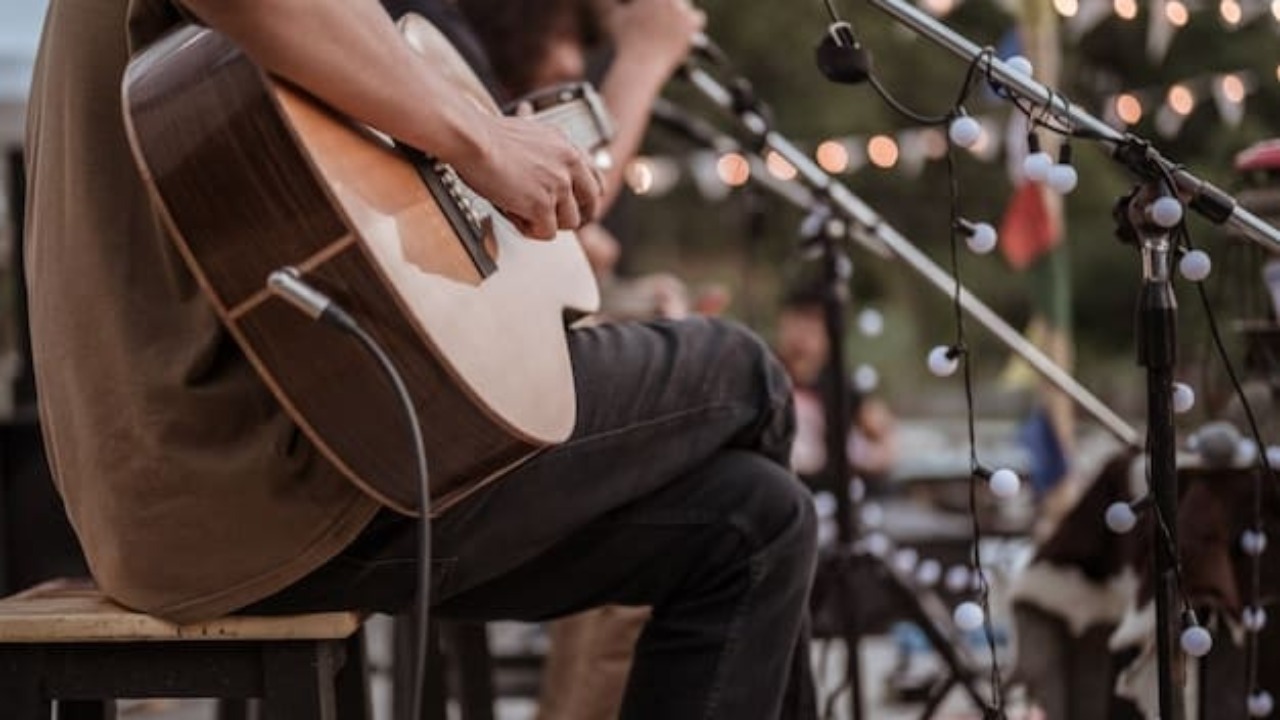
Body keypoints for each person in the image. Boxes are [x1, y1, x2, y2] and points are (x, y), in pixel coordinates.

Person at [24, 1, 818, 718]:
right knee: (744, 373)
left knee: (757, 521)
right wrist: (479, 137)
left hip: (238, 487)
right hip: (276, 480)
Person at [774, 285, 898, 492]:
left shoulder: (840, 384)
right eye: (797, 322)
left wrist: (861, 459)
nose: (802, 336)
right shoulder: (765, 374)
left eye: (813, 326)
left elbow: (884, 435)